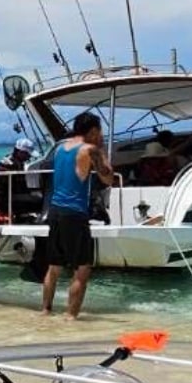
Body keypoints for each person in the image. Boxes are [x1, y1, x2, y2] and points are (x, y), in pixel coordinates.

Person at [40, 111, 116, 318]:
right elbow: (109, 179)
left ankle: (45, 310)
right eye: (100, 131)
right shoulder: (90, 149)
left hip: (55, 211)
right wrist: (102, 150)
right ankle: (71, 316)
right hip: (74, 213)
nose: (101, 134)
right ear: (93, 131)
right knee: (82, 269)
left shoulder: (60, 148)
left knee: (54, 267)